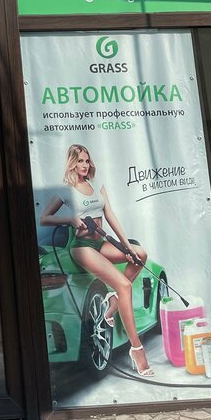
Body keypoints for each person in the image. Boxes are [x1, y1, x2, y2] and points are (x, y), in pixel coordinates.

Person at [40, 143, 153, 377]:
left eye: (87, 160)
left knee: (140, 255)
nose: (84, 165)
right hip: (82, 247)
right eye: (80, 161)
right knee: (124, 286)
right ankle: (136, 349)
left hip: (100, 243)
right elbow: (45, 218)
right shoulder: (66, 190)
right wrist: (70, 219)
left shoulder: (96, 185)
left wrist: (125, 246)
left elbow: (110, 215)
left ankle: (112, 302)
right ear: (72, 163)